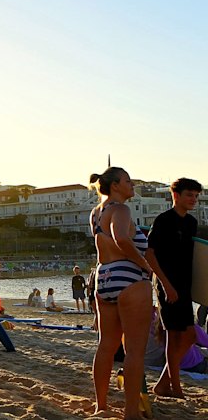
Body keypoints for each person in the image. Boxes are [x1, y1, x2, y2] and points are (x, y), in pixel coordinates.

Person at [88, 167, 176, 419]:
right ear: (115, 185)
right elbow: (122, 240)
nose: (133, 184)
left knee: (106, 345)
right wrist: (146, 267)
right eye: (128, 181)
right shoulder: (121, 210)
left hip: (103, 278)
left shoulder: (96, 212)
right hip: (128, 277)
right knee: (135, 350)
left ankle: (100, 405)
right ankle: (130, 413)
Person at [146, 177, 202, 398]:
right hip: (167, 286)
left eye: (197, 196)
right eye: (190, 195)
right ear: (176, 195)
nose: (194, 200)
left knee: (187, 336)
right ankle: (174, 387)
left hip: (185, 286)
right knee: (175, 336)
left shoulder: (191, 223)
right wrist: (166, 285)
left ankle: (164, 383)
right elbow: (149, 254)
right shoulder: (163, 220)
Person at [146, 309, 208, 374]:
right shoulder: (187, 324)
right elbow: (206, 341)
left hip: (169, 365)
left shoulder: (152, 322)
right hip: (193, 365)